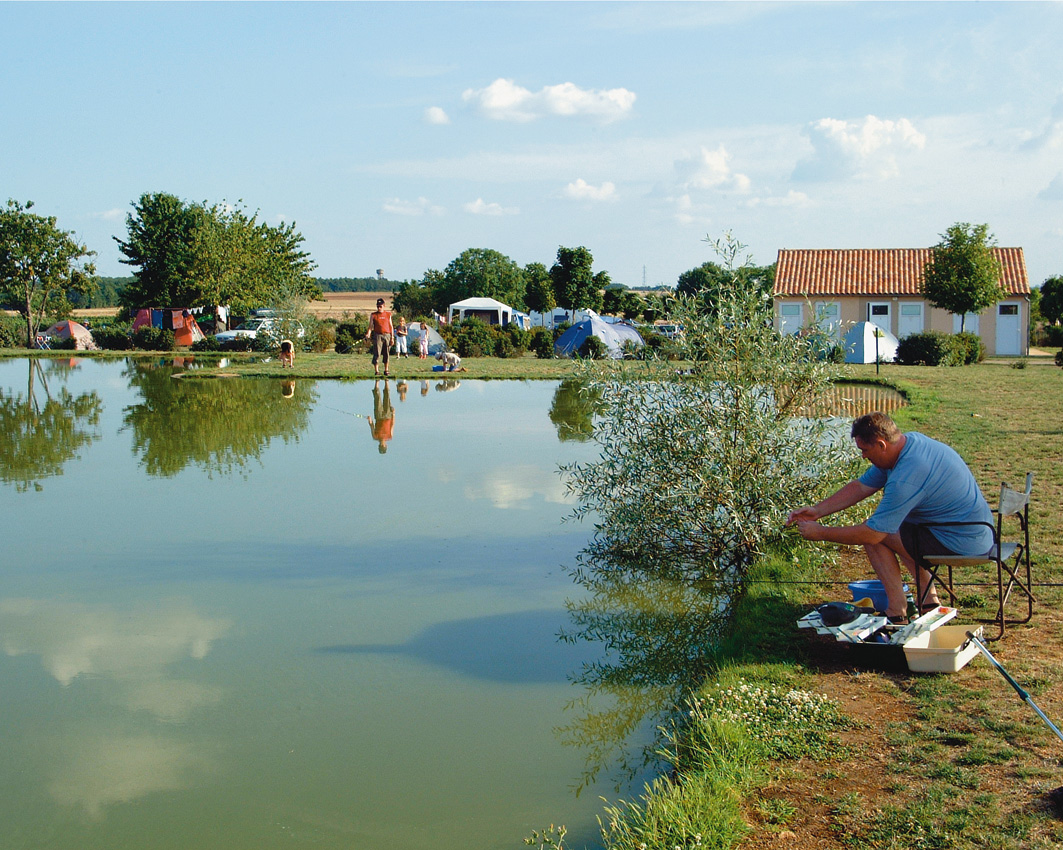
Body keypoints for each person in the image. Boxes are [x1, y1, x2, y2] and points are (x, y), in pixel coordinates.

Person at [787, 411, 993, 623]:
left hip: (963, 543)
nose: (863, 456)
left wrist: (821, 533)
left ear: (881, 444)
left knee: (877, 536)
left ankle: (897, 611)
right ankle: (928, 600)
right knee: (894, 527)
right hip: (972, 532)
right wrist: (817, 511)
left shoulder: (907, 476)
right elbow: (861, 486)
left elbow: (873, 534)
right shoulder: (907, 445)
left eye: (865, 450)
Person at [364, 298, 394, 377]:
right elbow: (370, 326)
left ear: (384, 306)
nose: (379, 308)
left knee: (386, 353)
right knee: (377, 353)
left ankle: (386, 370)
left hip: (387, 335)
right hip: (378, 335)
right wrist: (368, 333)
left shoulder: (388, 314)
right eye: (378, 306)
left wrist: (392, 337)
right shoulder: (373, 315)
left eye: (380, 306)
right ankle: (376, 371)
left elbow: (391, 326)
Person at [368, 379, 394, 454]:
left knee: (377, 399)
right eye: (383, 446)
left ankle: (377, 382)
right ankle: (386, 381)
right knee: (387, 397)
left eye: (381, 446)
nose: (382, 444)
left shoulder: (375, 437)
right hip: (388, 416)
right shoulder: (389, 436)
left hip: (378, 417)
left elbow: (372, 426)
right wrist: (393, 414)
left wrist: (370, 420)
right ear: (386, 445)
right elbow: (392, 425)